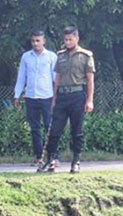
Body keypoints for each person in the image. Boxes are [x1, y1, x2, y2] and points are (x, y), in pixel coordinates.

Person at [40, 26, 95, 174]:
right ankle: (51, 160)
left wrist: (89, 100)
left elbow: (90, 80)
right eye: (65, 39)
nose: (68, 42)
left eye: (71, 39)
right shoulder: (61, 55)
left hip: (78, 96)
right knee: (54, 131)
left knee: (77, 131)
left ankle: (76, 161)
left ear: (77, 39)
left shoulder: (86, 55)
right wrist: (54, 99)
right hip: (62, 97)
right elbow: (57, 79)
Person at [14, 30, 57, 168]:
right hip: (31, 97)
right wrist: (17, 95)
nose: (35, 43)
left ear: (44, 41)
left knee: (49, 127)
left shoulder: (51, 56)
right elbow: (22, 77)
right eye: (33, 41)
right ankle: (39, 157)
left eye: (38, 40)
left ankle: (53, 157)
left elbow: (56, 79)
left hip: (47, 97)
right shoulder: (26, 57)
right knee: (35, 129)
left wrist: (57, 97)